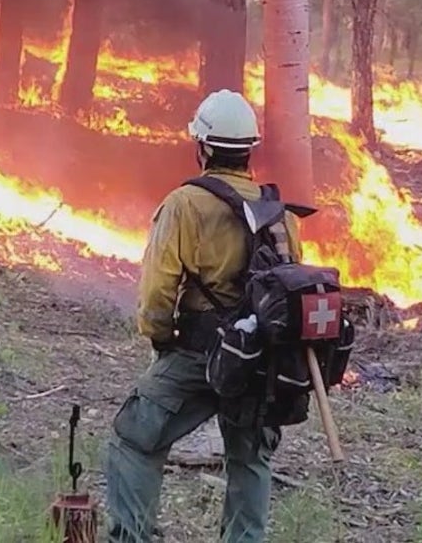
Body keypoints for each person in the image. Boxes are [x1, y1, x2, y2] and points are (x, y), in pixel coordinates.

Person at [104, 89, 303, 543]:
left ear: (204, 147)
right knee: (250, 459)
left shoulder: (185, 205)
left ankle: (131, 537)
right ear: (250, 150)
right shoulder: (281, 214)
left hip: (198, 353)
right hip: (260, 360)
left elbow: (157, 290)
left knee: (135, 436)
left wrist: (160, 336)